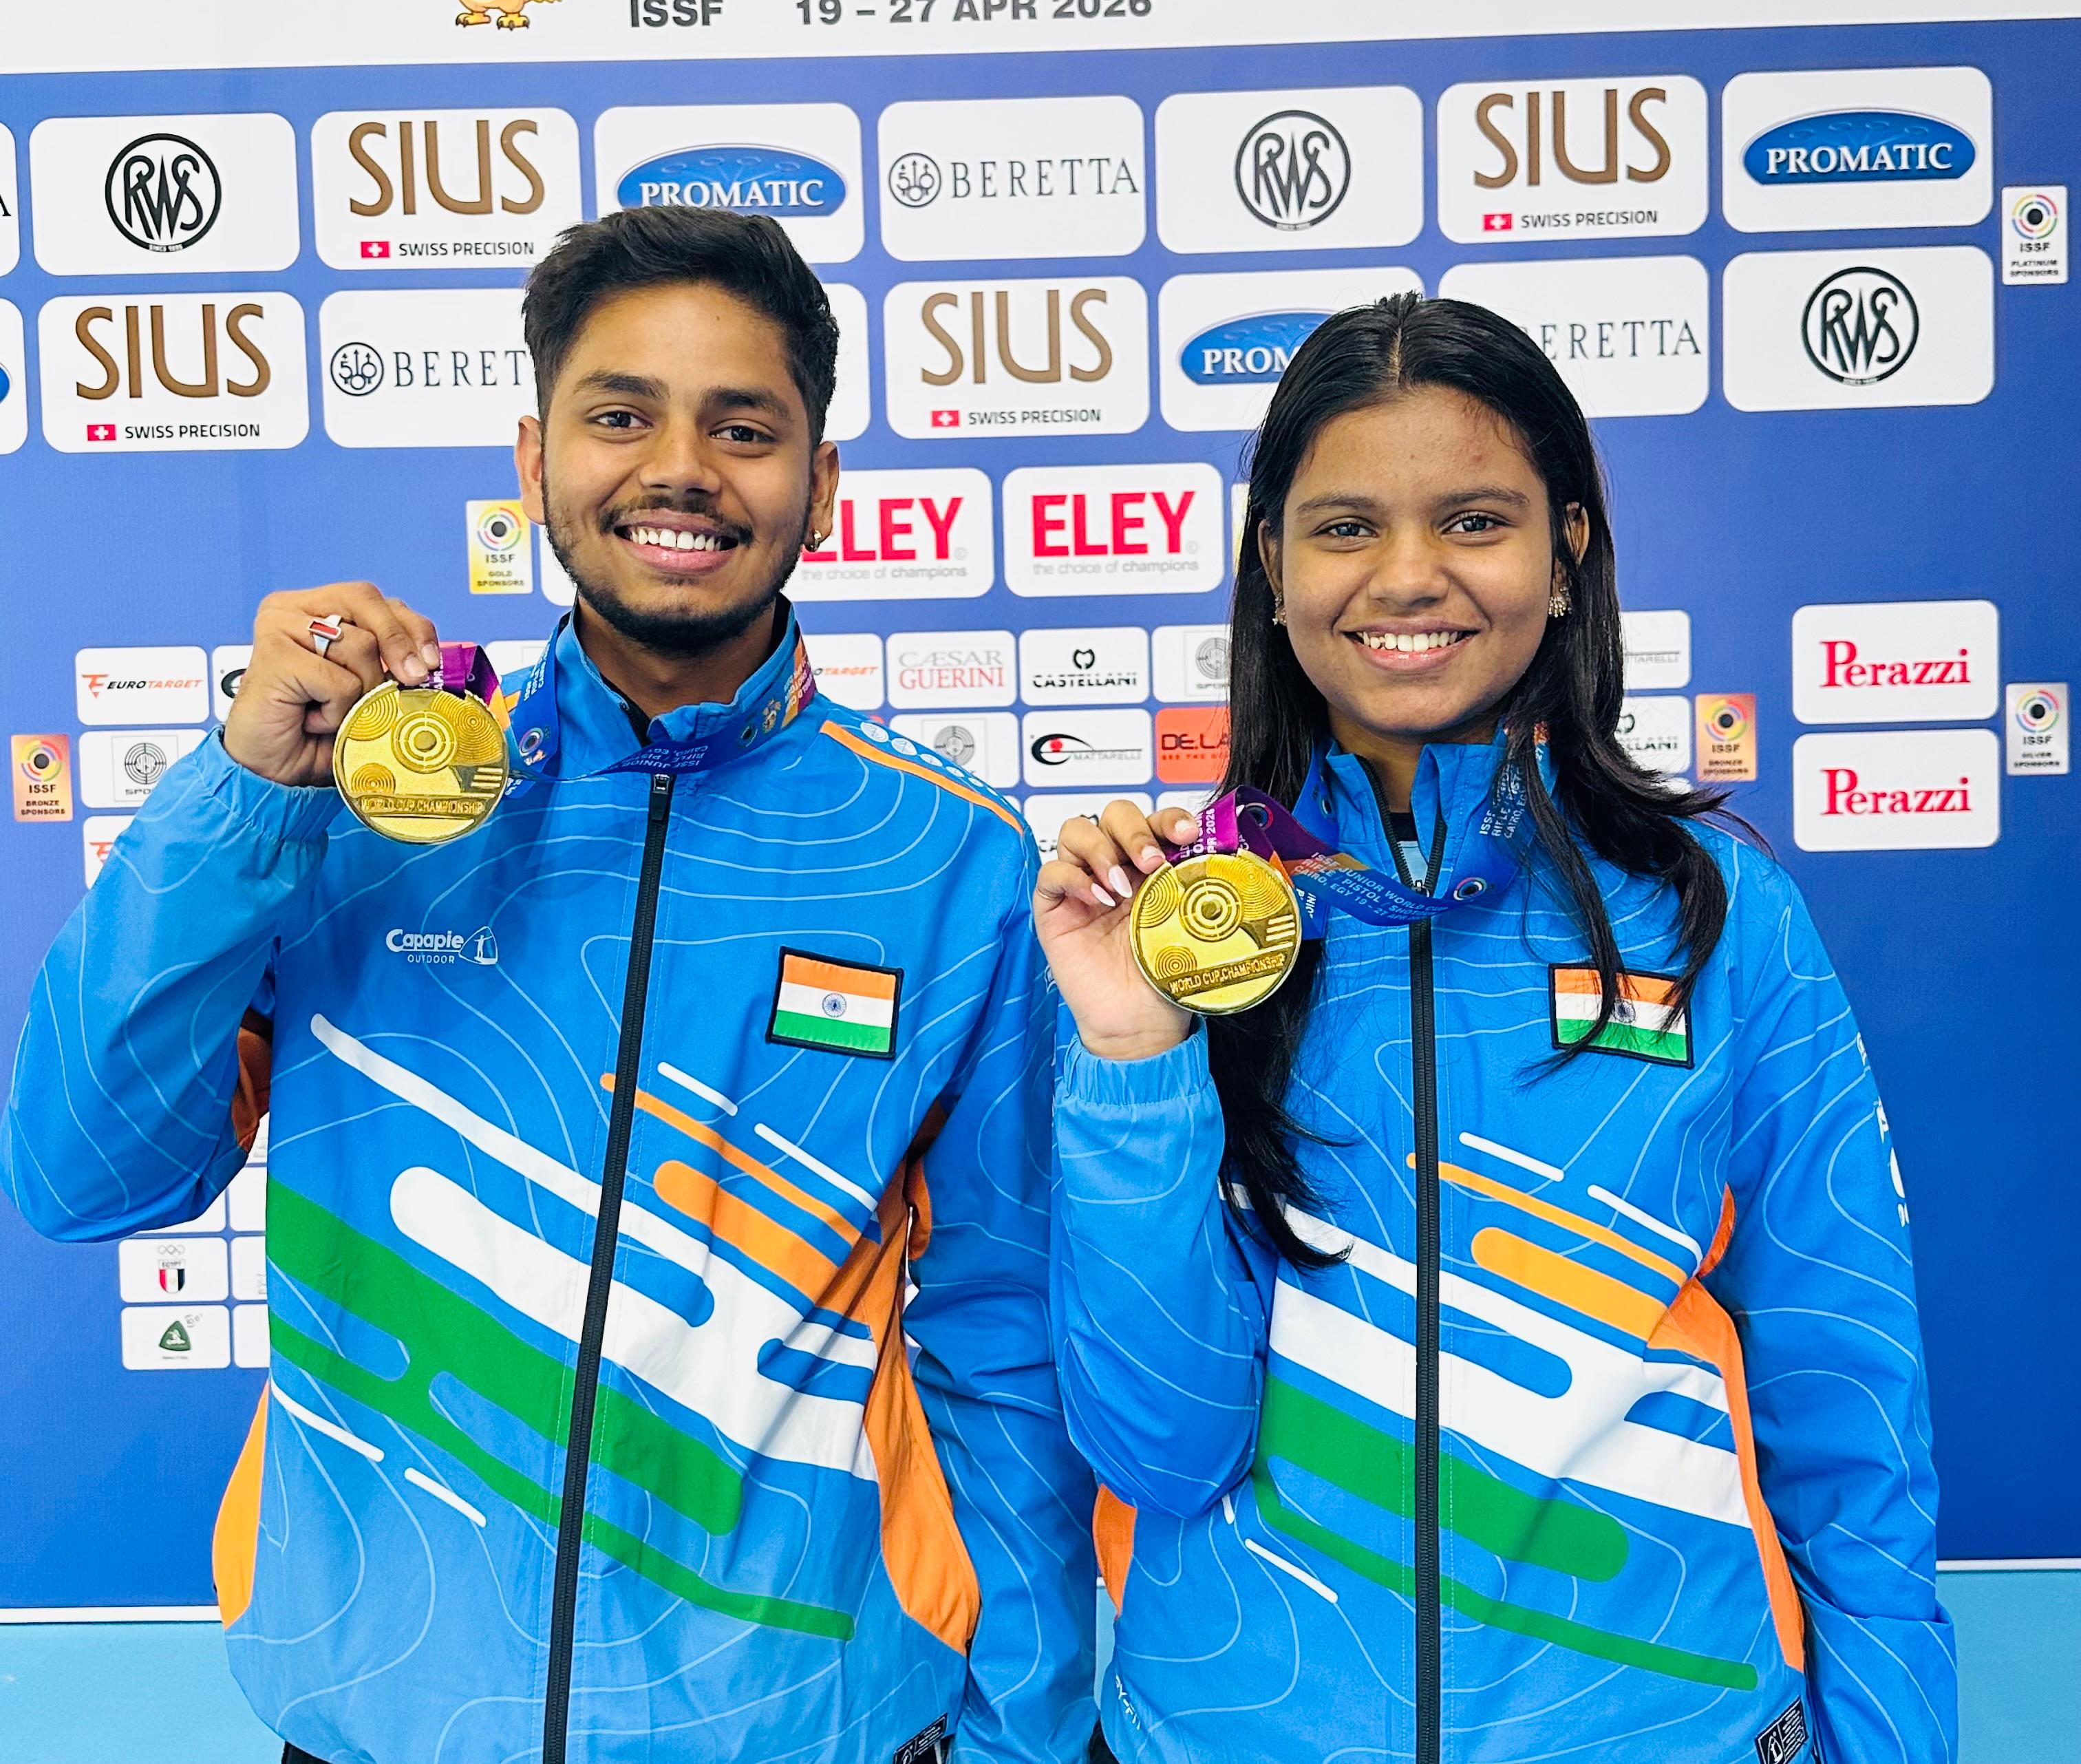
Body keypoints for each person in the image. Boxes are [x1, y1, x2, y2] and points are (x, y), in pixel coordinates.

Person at [3, 208, 1096, 1764]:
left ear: (823, 485)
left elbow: (1003, 1340)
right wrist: (248, 788)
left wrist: (1025, 1737)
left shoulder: (951, 860)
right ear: (533, 460)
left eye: (744, 425)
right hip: (379, 1724)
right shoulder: (362, 806)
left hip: (808, 1729)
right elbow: (81, 1172)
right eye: (620, 414)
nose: (681, 469)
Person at [1036, 294, 1955, 1764]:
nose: (1410, 576)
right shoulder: (1174, 925)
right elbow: (1157, 1441)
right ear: (1269, 566)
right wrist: (1138, 1052)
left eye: (1474, 517)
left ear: (1566, 548)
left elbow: (1850, 1399)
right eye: (1343, 527)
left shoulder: (1717, 913)